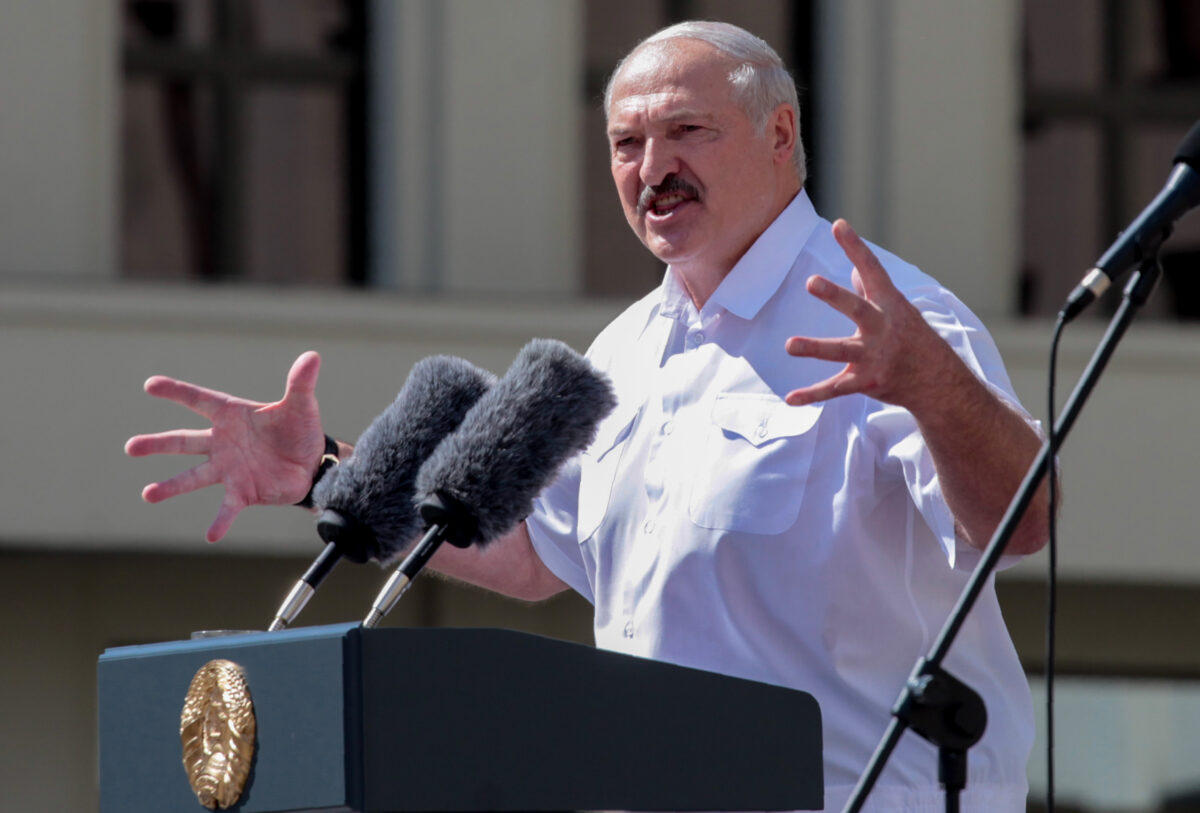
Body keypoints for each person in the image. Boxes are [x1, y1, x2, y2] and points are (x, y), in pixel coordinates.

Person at [126, 21, 1049, 812]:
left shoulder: (886, 319)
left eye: (687, 131)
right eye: (625, 144)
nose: (654, 169)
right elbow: (535, 556)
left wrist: (932, 386)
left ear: (781, 135)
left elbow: (1022, 521)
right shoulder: (625, 350)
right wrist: (325, 476)